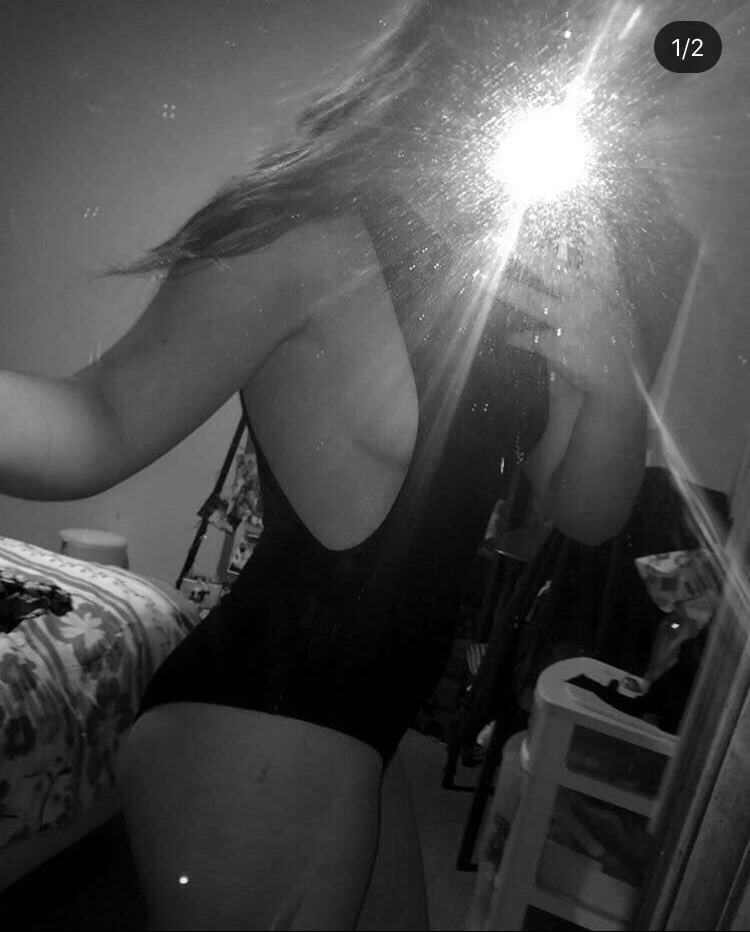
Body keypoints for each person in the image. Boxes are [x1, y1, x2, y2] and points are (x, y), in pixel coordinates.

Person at [0, 1, 697, 928]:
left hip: (361, 731)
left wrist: (614, 377)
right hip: (261, 725)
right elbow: (99, 421)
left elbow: (587, 514)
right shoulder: (309, 234)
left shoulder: (519, 274)